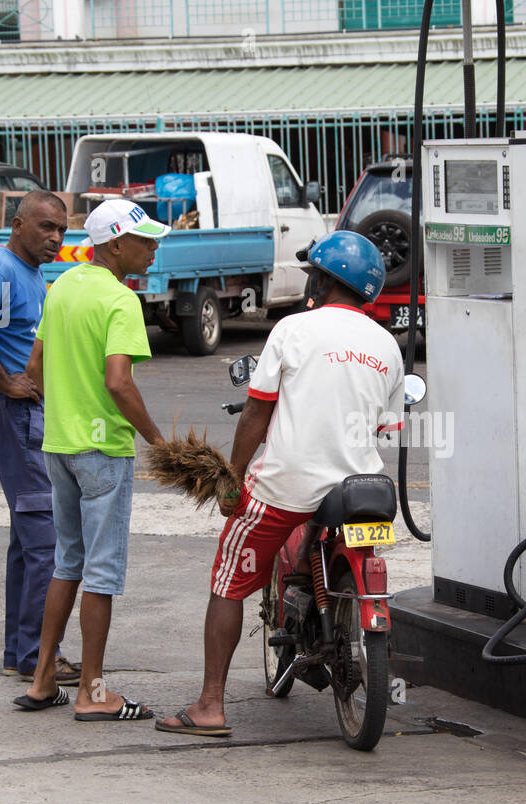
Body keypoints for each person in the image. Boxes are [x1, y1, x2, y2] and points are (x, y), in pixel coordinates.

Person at [156, 231, 404, 736]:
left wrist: (232, 479)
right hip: (363, 487)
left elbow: (255, 414)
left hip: (287, 487)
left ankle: (209, 707)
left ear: (323, 279)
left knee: (228, 583)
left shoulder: (292, 330)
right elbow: (383, 426)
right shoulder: (387, 345)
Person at [13, 198, 169, 721]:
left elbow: (34, 365)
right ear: (115, 244)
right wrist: (157, 441)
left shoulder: (64, 287)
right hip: (103, 451)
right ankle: (92, 693)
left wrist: (65, 410)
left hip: (58, 445)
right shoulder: (121, 301)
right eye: (145, 240)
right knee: (101, 571)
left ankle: (42, 681)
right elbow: (119, 382)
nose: (153, 248)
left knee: (67, 562)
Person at [0, 190, 80, 686]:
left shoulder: (28, 272)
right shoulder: (0, 269)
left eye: (62, 231)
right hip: (20, 418)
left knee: (26, 543)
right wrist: (7, 380)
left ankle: (19, 650)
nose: (55, 239)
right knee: (46, 543)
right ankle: (36, 657)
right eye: (47, 227)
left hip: (31, 419)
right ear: (18, 223)